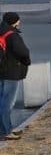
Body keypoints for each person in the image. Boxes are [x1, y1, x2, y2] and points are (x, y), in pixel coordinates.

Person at [0, 12, 31, 140]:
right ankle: (6, 131)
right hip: (11, 72)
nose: (19, 23)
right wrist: (27, 61)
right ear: (14, 21)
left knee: (2, 100)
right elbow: (22, 52)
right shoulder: (12, 35)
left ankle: (5, 128)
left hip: (2, 71)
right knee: (7, 103)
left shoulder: (2, 31)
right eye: (18, 20)